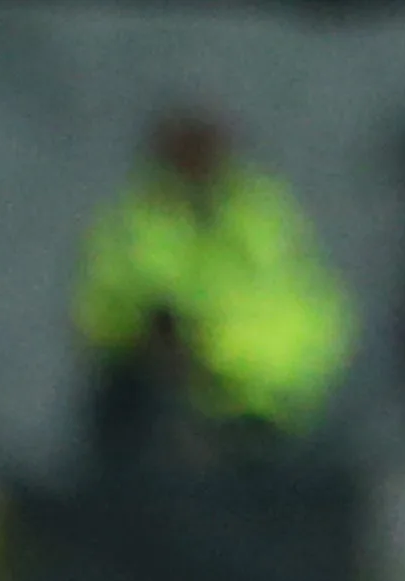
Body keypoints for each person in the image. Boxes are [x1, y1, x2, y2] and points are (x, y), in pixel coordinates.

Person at [74, 108, 354, 453]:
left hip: (265, 402)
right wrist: (145, 330)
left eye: (201, 148)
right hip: (162, 398)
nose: (193, 161)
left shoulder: (261, 217)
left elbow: (307, 315)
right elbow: (101, 305)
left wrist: (215, 356)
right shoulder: (137, 219)